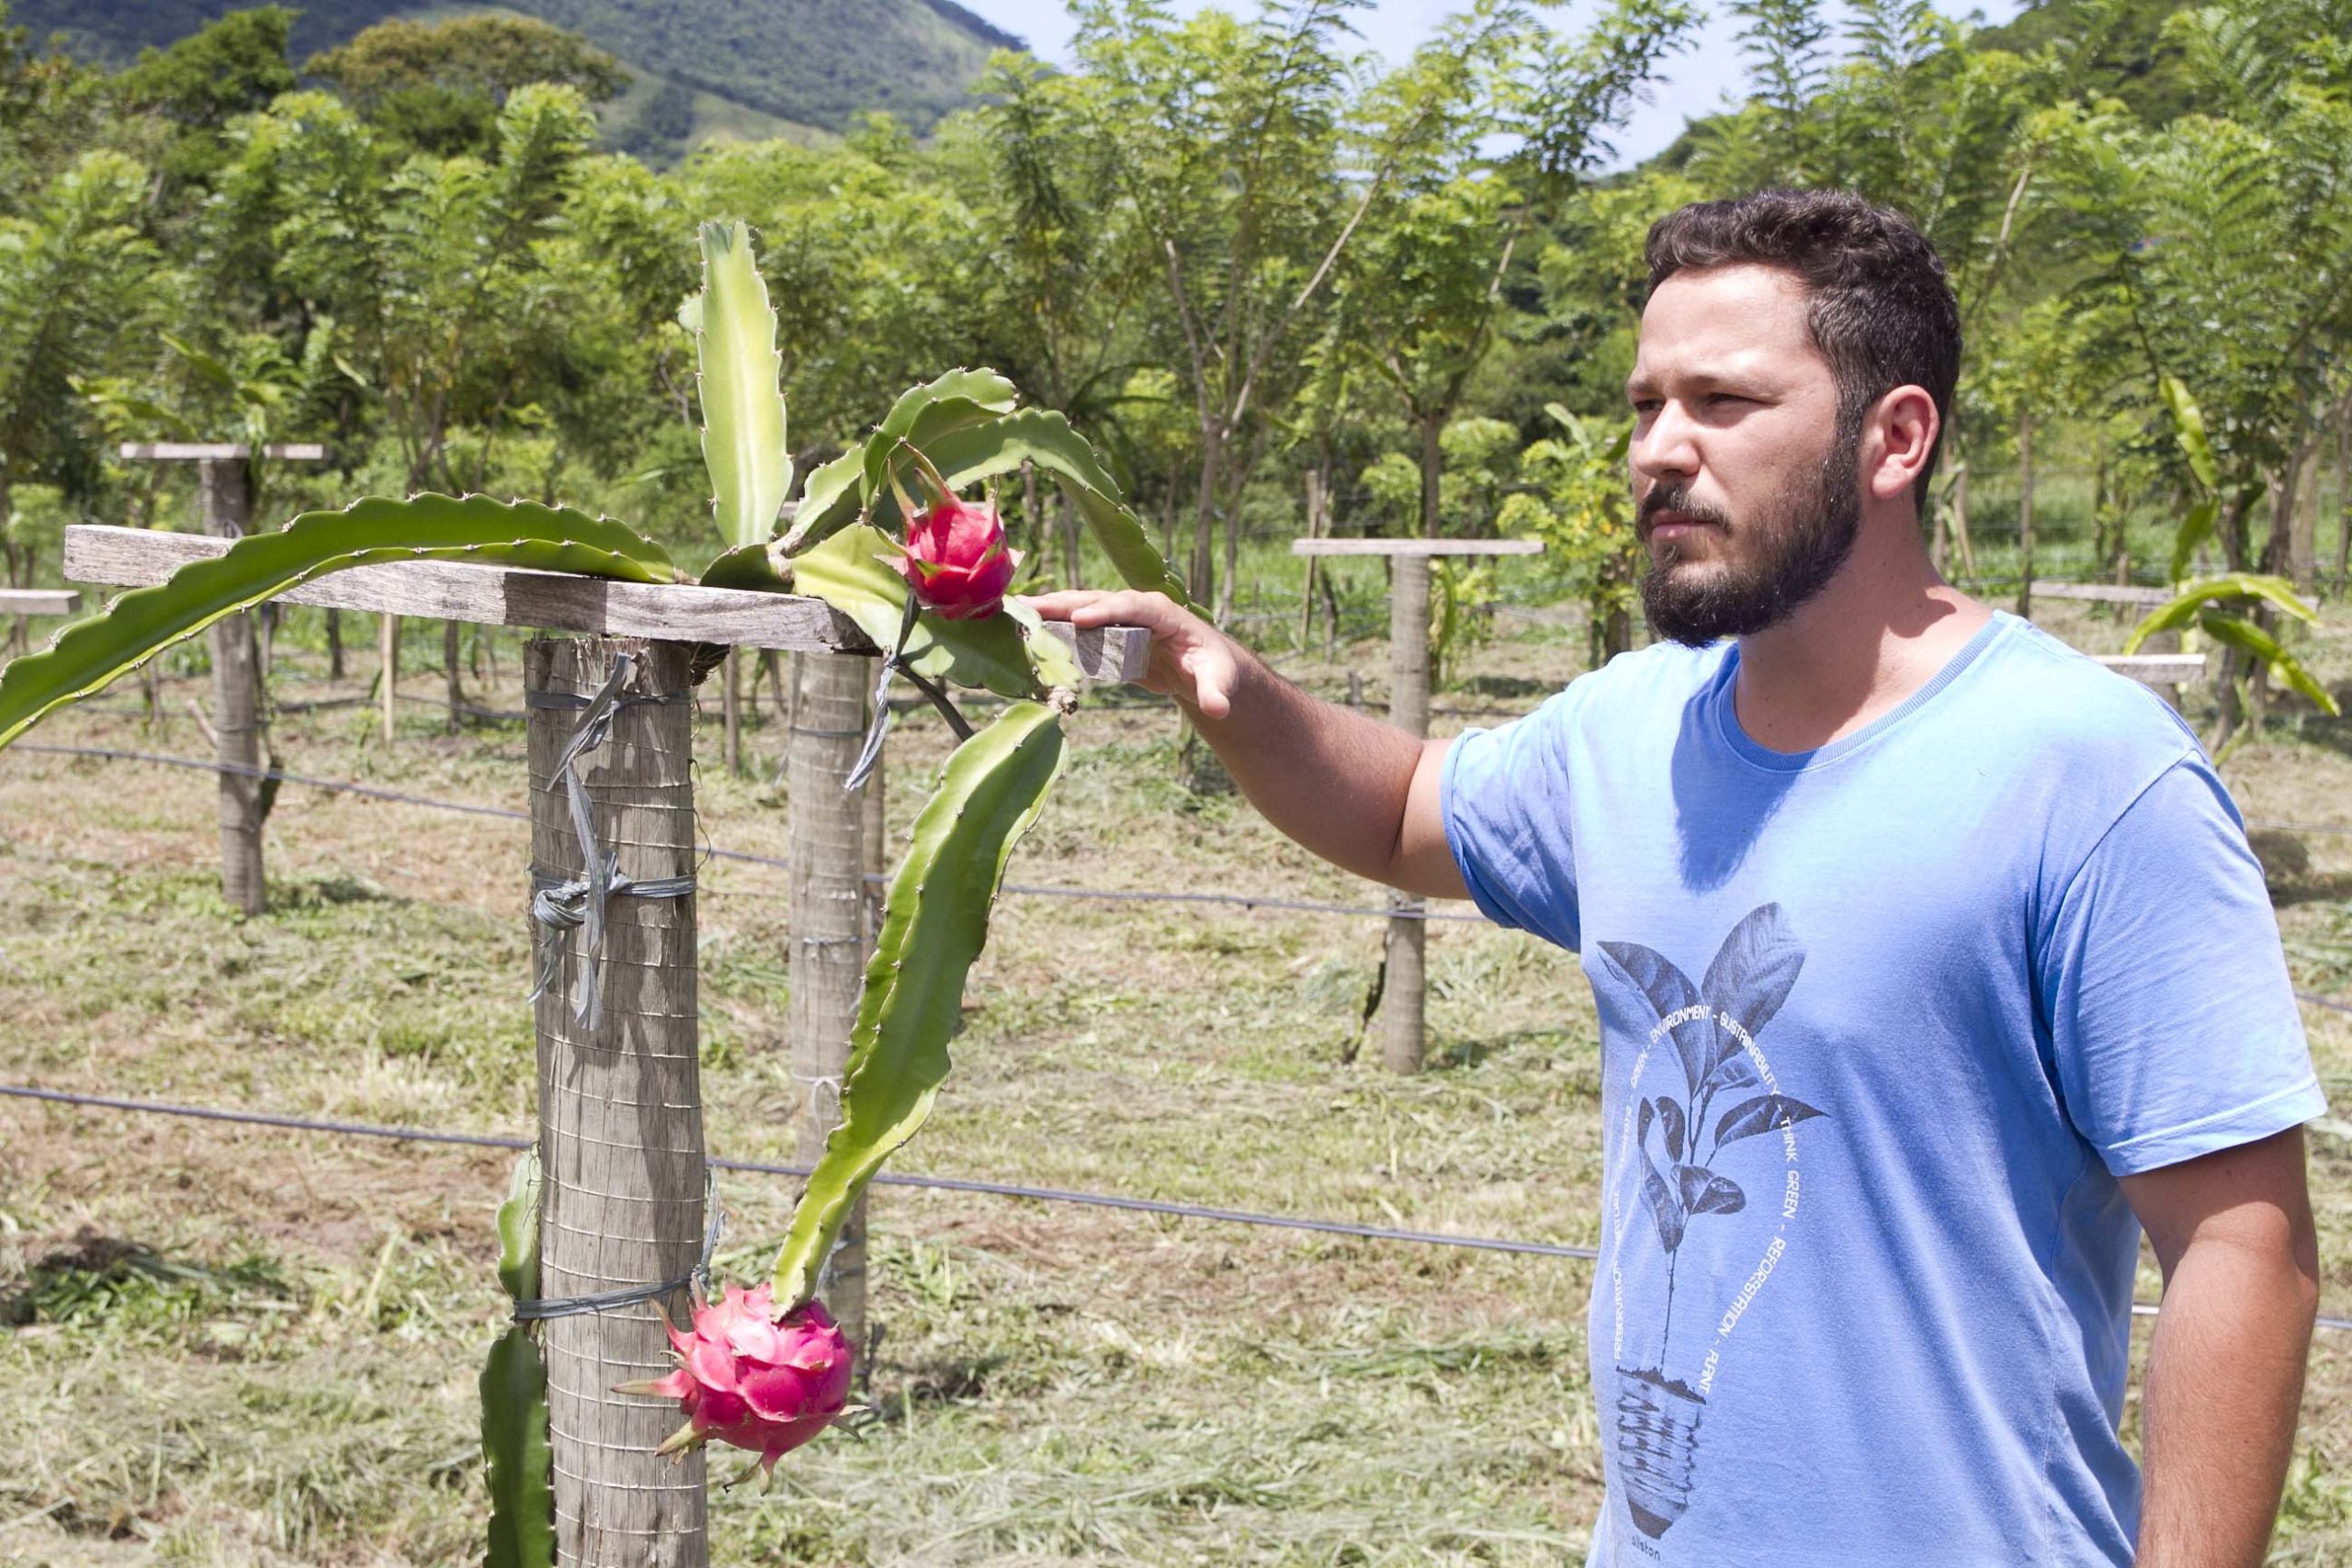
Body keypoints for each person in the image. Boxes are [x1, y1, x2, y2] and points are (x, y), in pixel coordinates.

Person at [1027, 188, 2325, 1567]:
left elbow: (2243, 1250)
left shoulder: (2086, 773)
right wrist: (1220, 684)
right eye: (1644, 403)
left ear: (1893, 439)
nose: (1657, 450)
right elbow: (1411, 805)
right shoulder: (1633, 730)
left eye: (1721, 401)